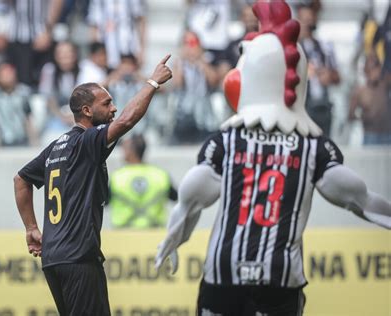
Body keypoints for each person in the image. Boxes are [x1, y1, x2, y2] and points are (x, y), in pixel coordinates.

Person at [155, 1, 391, 315]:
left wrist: (174, 238)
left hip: (224, 277)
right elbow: (359, 198)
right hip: (280, 280)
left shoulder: (226, 141)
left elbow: (190, 198)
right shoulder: (313, 146)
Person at [13, 54, 172, 315]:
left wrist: (31, 227)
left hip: (54, 259)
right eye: (107, 103)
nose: (113, 108)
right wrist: (153, 82)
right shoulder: (88, 143)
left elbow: (21, 179)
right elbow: (126, 121)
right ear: (87, 111)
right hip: (78, 258)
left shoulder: (56, 147)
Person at [108, 134, 178, 228]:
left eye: (124, 148)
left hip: (123, 235)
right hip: (154, 234)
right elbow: (177, 198)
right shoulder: (161, 175)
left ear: (130, 151)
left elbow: (103, 202)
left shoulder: (117, 177)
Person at [297, 3, 340, 137]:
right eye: (303, 19)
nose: (306, 23)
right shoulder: (293, 47)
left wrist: (329, 75)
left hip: (323, 105)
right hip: (302, 106)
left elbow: (338, 77)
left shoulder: (324, 47)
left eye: (309, 19)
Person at [348, 53, 391, 145]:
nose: (372, 71)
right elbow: (350, 115)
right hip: (370, 135)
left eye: (375, 67)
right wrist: (363, 117)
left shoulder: (385, 84)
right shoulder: (360, 91)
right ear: (365, 70)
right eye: (369, 68)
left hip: (388, 134)